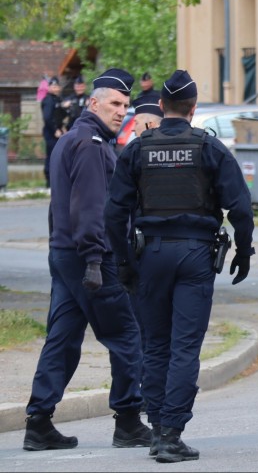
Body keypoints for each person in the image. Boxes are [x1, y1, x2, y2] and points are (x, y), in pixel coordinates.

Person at [104, 69, 255, 464]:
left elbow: (113, 213)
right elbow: (240, 207)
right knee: (185, 346)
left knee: (155, 344)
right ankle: (171, 434)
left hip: (151, 254)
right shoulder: (209, 147)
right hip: (195, 255)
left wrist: (124, 262)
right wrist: (244, 251)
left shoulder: (138, 149)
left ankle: (157, 428)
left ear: (161, 105)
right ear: (193, 108)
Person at [24, 68, 152, 452]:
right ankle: (128, 421)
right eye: (114, 103)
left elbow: (60, 206)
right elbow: (91, 209)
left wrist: (65, 250)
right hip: (89, 258)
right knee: (127, 335)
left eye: (125, 106)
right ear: (93, 103)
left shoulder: (68, 140)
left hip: (65, 254)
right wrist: (96, 260)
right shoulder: (93, 146)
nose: (121, 111)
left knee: (62, 339)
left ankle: (38, 422)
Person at [40, 77, 66, 188]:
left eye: (56, 86)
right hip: (51, 133)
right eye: (53, 86)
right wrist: (55, 129)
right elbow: (47, 117)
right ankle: (49, 182)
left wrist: (62, 127)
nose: (55, 88)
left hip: (59, 131)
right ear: (49, 87)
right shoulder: (48, 100)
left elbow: (60, 116)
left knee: (59, 156)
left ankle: (57, 181)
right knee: (51, 156)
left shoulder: (58, 99)